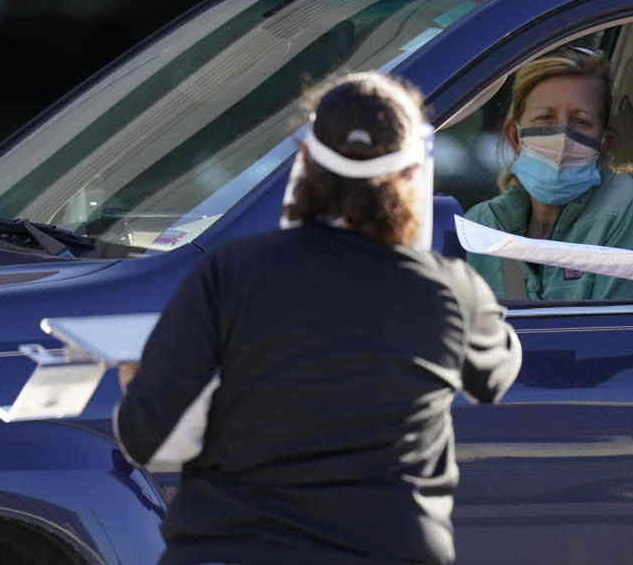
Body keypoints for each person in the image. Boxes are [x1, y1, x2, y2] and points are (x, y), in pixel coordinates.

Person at [114, 72, 522, 565]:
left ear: (305, 163)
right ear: (414, 175)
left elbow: (144, 436)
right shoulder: (453, 290)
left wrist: (138, 384)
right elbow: (494, 379)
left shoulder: (232, 271)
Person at [464, 46, 633, 300]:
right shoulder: (484, 224)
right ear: (515, 138)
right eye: (545, 117)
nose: (562, 138)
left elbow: (621, 335)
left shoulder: (630, 212)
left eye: (580, 121)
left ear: (603, 146)